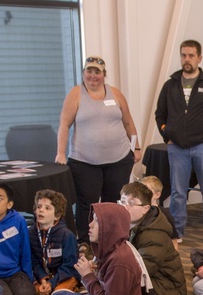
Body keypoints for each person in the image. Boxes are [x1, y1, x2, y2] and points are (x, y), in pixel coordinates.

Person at [55, 56, 141, 243]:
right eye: (89, 71)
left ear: (104, 75)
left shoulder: (115, 94)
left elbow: (128, 122)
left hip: (118, 159)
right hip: (85, 162)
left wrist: (136, 147)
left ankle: (112, 237)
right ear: (84, 73)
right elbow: (64, 125)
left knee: (113, 202)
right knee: (87, 203)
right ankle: (85, 241)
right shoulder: (76, 94)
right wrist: (60, 153)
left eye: (97, 72)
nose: (93, 76)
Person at [154, 39, 203, 241]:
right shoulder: (170, 85)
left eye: (190, 55)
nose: (186, 59)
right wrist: (167, 134)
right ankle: (176, 232)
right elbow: (160, 114)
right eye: (183, 55)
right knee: (178, 193)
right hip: (177, 148)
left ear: (199, 58)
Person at [49, 202, 149, 295]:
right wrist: (94, 273)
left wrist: (88, 276)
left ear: (109, 226)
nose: (89, 224)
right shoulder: (111, 249)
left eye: (96, 221)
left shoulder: (119, 262)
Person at [120, 182, 186, 295]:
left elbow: (143, 270)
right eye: (122, 201)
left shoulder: (154, 233)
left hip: (165, 287)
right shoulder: (127, 224)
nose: (125, 207)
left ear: (145, 208)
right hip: (148, 280)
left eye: (131, 203)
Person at [29, 189, 81, 295]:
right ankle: (46, 289)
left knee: (58, 293)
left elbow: (70, 266)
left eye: (47, 208)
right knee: (35, 293)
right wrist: (43, 279)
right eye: (39, 207)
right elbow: (33, 261)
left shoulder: (66, 235)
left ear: (57, 215)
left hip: (65, 274)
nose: (41, 210)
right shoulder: (30, 233)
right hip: (43, 276)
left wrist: (51, 283)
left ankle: (78, 294)